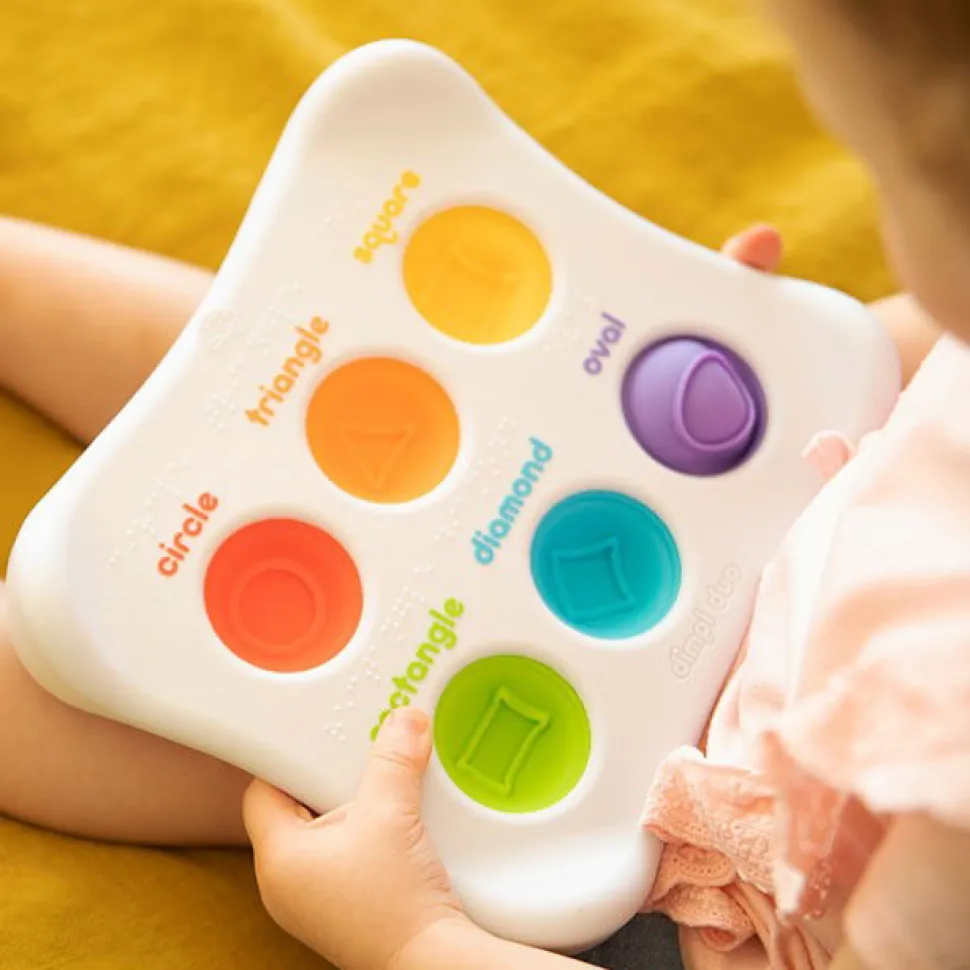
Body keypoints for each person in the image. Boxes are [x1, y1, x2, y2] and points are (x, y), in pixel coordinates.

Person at [0, 0, 965, 966]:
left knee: (292, 716)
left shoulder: (944, 846)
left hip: (654, 831)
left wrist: (410, 936)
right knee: (314, 379)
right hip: (813, 507)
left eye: (879, 173)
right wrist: (745, 350)